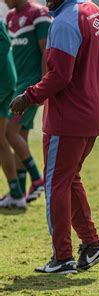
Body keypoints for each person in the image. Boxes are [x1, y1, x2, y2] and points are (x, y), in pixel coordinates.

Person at [10, 0, 99, 274]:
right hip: (93, 116)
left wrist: (28, 97)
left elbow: (60, 75)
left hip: (68, 118)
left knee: (56, 185)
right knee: (70, 178)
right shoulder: (98, 13)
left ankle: (62, 257)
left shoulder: (64, 22)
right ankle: (92, 245)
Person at [0, 0, 51, 208]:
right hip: (15, 85)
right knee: (18, 136)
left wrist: (42, 88)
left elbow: (46, 52)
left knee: (9, 133)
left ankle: (37, 179)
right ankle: (18, 191)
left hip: (29, 88)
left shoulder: (38, 13)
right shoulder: (10, 17)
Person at [0, 14, 24, 209]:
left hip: (3, 82)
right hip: (7, 80)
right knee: (0, 139)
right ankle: (16, 193)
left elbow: (5, 41)